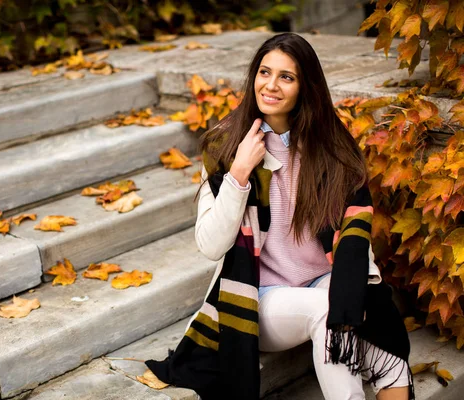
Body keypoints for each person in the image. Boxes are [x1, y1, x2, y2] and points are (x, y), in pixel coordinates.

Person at [146, 33, 414, 400]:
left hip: (321, 277)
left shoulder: (330, 147)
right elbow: (210, 244)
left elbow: (354, 230)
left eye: (286, 77)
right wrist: (239, 174)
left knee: (384, 337)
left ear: (306, 87)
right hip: (260, 297)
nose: (270, 85)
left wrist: (359, 287)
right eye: (264, 72)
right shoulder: (226, 145)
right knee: (332, 311)